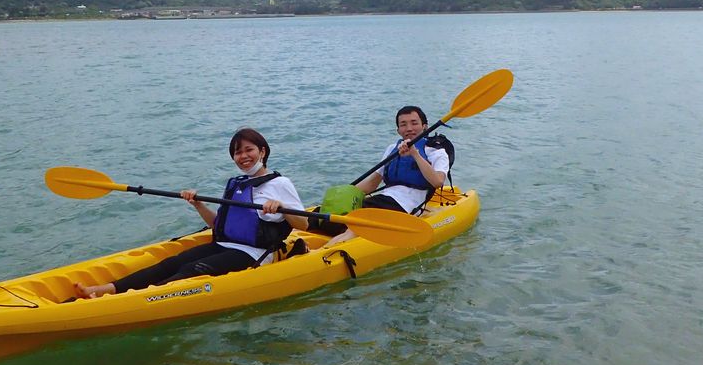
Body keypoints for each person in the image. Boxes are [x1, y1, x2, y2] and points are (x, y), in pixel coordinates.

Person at [74, 128, 306, 298]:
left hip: (255, 253)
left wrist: (282, 209)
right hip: (225, 245)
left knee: (190, 270)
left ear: (262, 151)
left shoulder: (280, 184)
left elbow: (304, 224)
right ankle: (106, 289)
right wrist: (198, 204)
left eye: (249, 150)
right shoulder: (237, 183)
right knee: (170, 263)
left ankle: (123, 301)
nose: (243, 157)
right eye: (237, 153)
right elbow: (219, 225)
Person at [323, 105, 449, 247]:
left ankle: (323, 253)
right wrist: (344, 195)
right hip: (384, 199)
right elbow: (372, 183)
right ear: (398, 130)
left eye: (414, 123)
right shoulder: (392, 149)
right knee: (327, 217)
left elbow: (437, 181)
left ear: (424, 126)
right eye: (403, 124)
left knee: (356, 226)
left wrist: (415, 154)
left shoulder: (436, 152)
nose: (409, 128)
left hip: (406, 205)